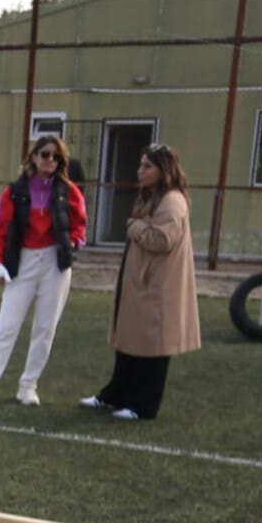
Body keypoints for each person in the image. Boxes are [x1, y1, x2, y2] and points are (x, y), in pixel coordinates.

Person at [0, 135, 87, 408]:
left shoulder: (68, 190)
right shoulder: (15, 191)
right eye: (45, 154)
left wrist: (74, 241)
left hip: (56, 262)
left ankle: (28, 385)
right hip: (23, 261)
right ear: (33, 156)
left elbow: (79, 223)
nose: (50, 160)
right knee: (6, 327)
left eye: (56, 156)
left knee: (45, 328)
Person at [82, 143, 200, 420]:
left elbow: (162, 239)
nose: (140, 171)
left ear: (164, 170)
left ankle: (144, 405)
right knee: (129, 341)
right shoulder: (150, 197)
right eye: (140, 164)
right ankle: (115, 394)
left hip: (157, 286)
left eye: (147, 166)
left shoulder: (172, 200)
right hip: (140, 283)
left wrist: (135, 227)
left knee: (154, 347)